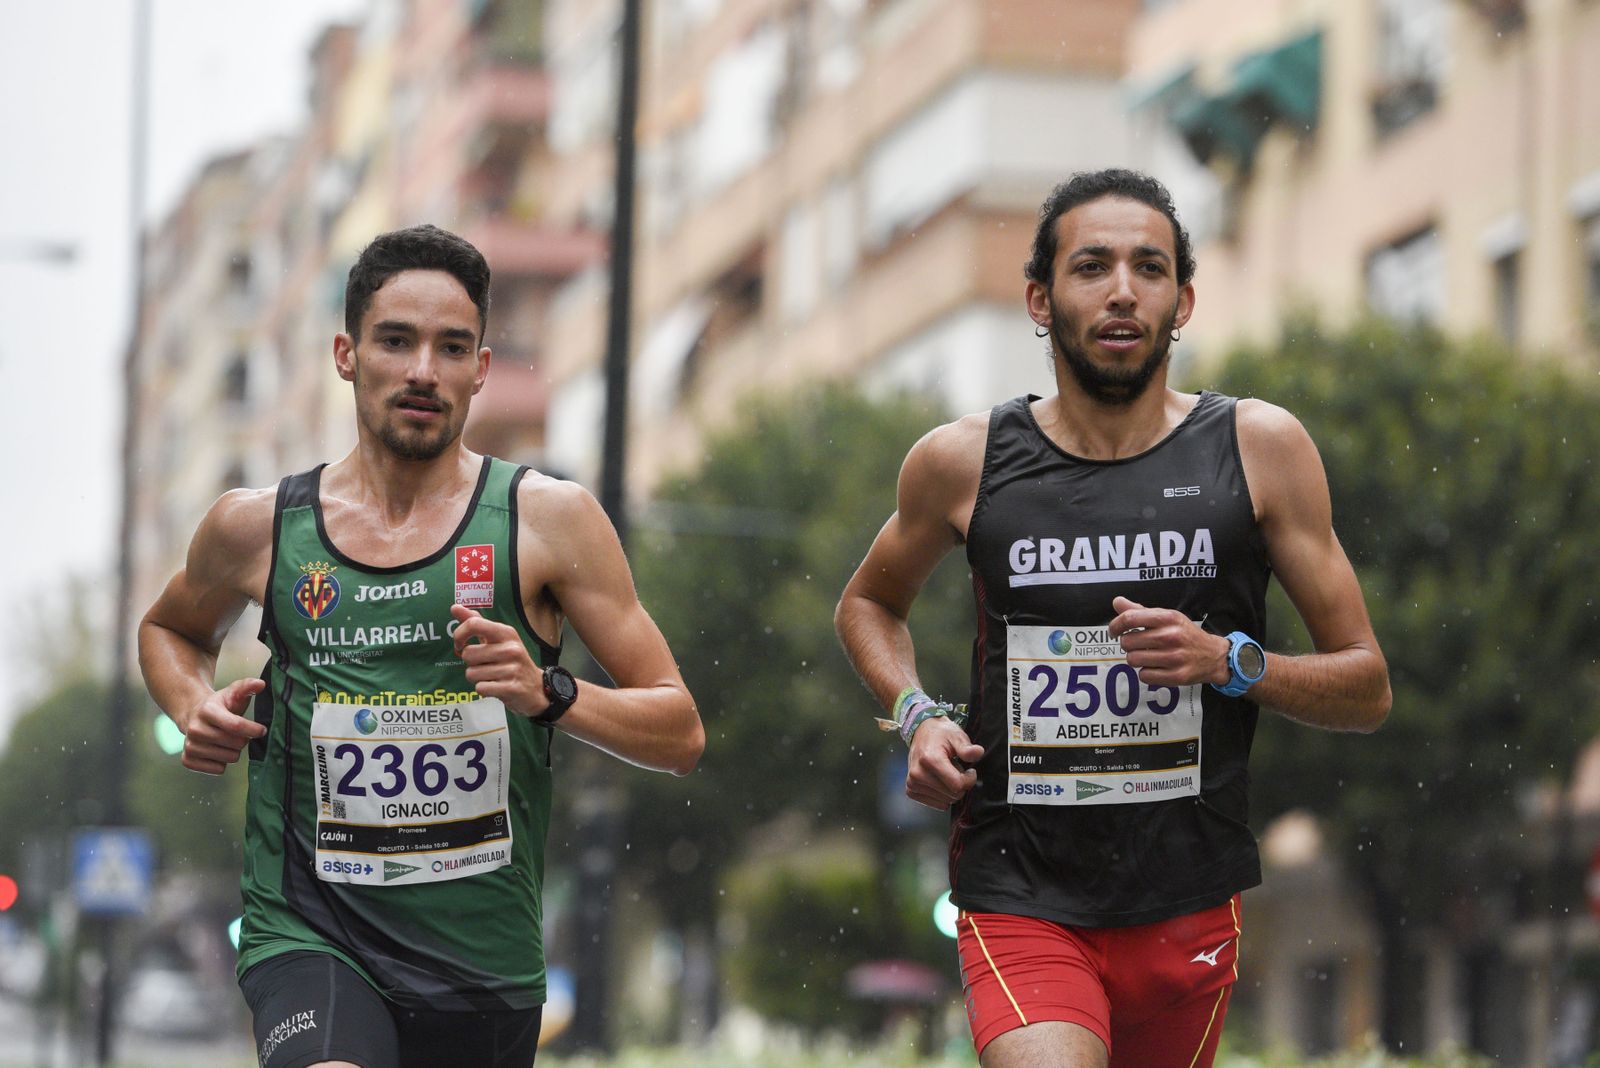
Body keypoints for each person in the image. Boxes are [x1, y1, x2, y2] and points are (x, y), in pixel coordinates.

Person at [835, 170, 1390, 1067]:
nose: (1123, 289)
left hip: (1188, 895)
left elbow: (1366, 685)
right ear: (1039, 299)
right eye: (1091, 266)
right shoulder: (960, 462)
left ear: (1185, 300)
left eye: (1150, 267)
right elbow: (867, 602)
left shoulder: (1261, 449)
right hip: (1021, 886)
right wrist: (916, 714)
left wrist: (1229, 662)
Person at [139, 224, 704, 1068]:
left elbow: (680, 731)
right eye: (396, 341)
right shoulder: (260, 528)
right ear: (345, 353)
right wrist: (193, 704)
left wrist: (551, 692)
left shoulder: (546, 521)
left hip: (480, 960)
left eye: (451, 348)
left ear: (481, 369)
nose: (422, 373)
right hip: (311, 929)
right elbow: (170, 628)